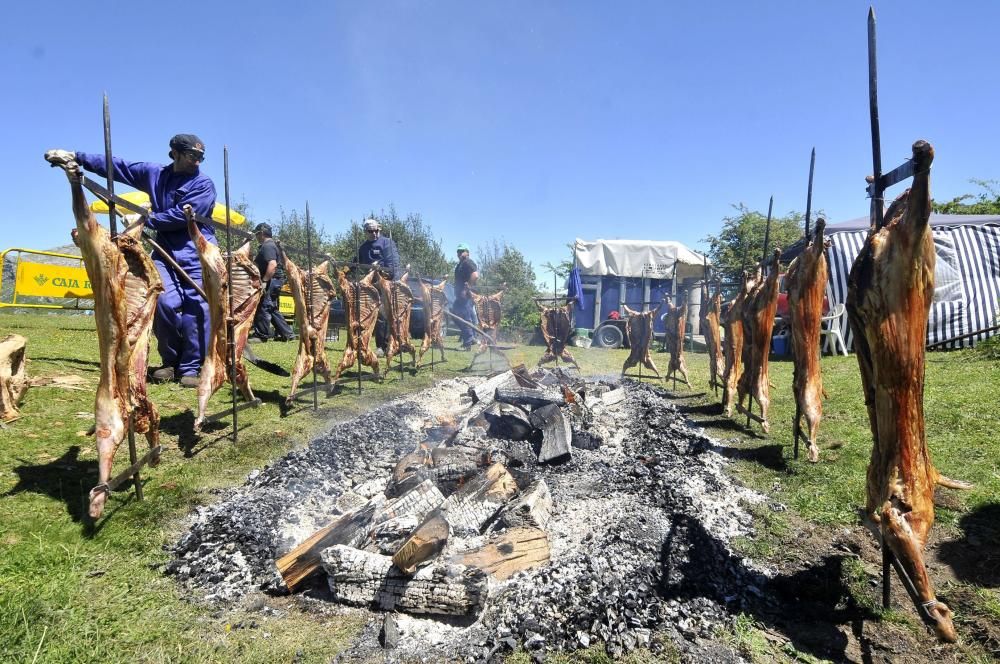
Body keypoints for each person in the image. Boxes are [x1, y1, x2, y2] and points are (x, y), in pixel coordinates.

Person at [49, 135, 216, 388]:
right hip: (164, 252)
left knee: (197, 307)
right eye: (193, 156)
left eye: (201, 157)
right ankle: (171, 362)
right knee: (164, 302)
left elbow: (182, 216)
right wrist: (76, 156)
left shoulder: (203, 184)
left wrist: (145, 220)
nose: (197, 161)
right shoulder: (154, 174)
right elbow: (118, 167)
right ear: (175, 153)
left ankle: (191, 366)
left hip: (196, 252)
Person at [356, 218, 401, 354]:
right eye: (371, 231)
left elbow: (393, 266)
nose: (374, 233)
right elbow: (355, 263)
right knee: (374, 314)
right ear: (366, 232)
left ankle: (386, 345)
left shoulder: (387, 243)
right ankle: (380, 345)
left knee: (385, 314)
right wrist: (343, 269)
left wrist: (380, 269)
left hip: (388, 283)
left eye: (376, 230)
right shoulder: (363, 247)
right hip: (372, 285)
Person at [250, 223, 295, 343]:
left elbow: (272, 265)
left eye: (257, 234)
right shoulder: (270, 245)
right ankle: (287, 334)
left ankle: (261, 335)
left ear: (261, 233)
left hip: (271, 280)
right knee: (271, 307)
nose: (256, 236)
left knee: (263, 306)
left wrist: (264, 281)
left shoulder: (268, 246)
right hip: (276, 280)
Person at [452, 243, 479, 350]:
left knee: (465, 317)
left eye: (462, 251)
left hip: (465, 295)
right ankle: (471, 337)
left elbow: (475, 275)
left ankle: (468, 342)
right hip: (460, 295)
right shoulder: (461, 264)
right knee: (459, 315)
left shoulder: (468, 262)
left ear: (467, 252)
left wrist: (467, 288)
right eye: (458, 251)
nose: (459, 253)